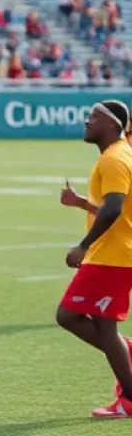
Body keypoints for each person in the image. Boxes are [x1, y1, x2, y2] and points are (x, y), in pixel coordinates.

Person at [55, 100, 132, 417]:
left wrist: (84, 245)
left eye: (94, 117)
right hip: (113, 254)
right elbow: (117, 210)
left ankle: (130, 390)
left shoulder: (115, 158)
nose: (87, 122)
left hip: (112, 256)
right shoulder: (117, 155)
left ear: (112, 124)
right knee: (102, 326)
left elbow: (115, 209)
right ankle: (127, 384)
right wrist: (82, 203)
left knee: (68, 315)